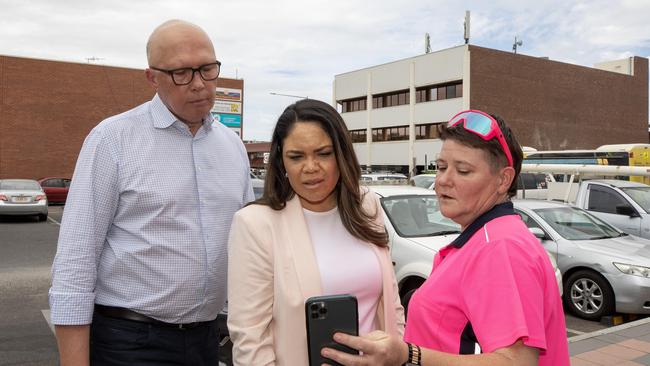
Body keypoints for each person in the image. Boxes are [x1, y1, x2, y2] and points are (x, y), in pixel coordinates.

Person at [49, 20, 254, 366]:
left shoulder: (232, 148)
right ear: (152, 77)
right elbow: (75, 264)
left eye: (207, 69)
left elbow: (249, 246)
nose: (199, 84)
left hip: (208, 339)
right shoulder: (112, 141)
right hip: (129, 343)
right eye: (182, 73)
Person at [322, 109, 570, 366]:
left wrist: (409, 354)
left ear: (503, 180)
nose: (442, 181)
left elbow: (516, 361)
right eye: (441, 167)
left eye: (462, 171)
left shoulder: (499, 246)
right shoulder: (488, 237)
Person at [226, 99, 405, 365]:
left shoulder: (368, 205)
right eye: (296, 157)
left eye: (323, 153)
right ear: (281, 161)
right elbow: (250, 339)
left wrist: (397, 351)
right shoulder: (255, 224)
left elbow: (392, 303)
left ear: (341, 154)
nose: (310, 167)